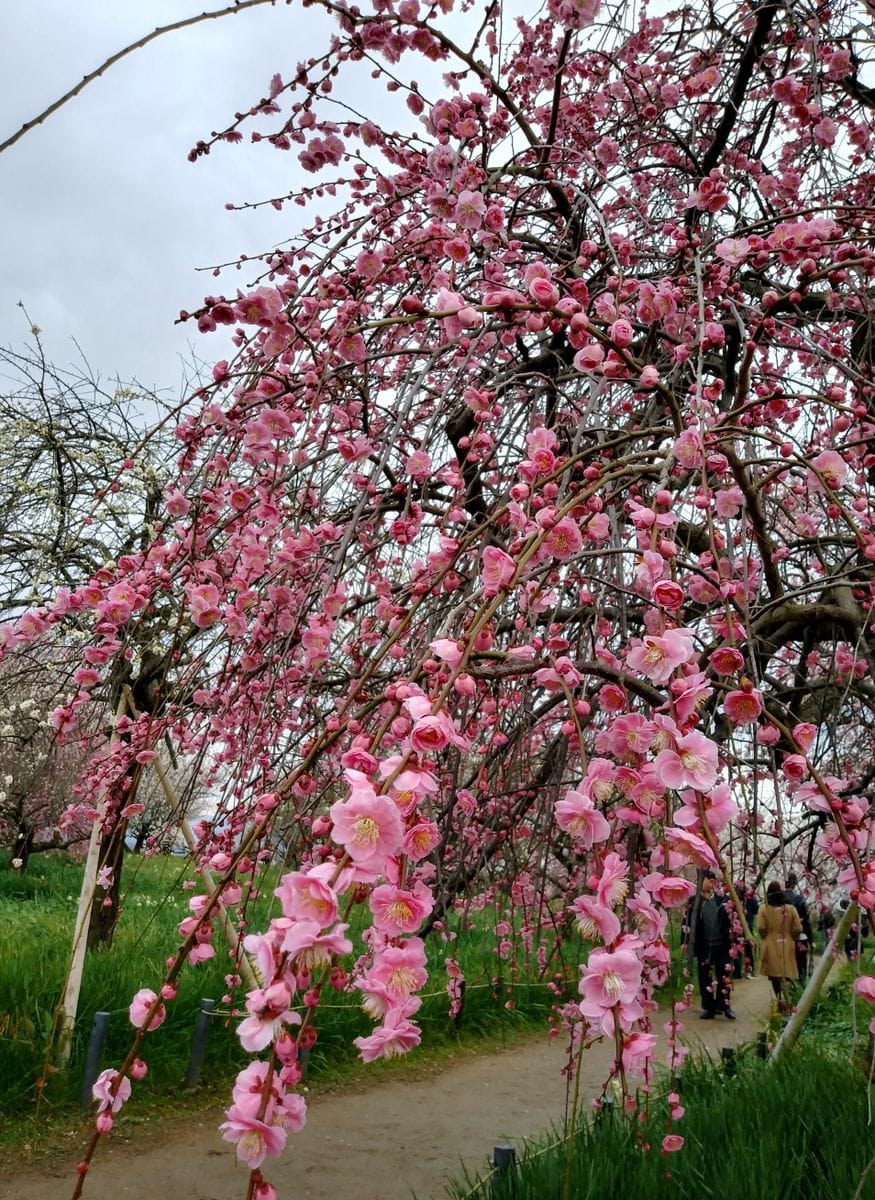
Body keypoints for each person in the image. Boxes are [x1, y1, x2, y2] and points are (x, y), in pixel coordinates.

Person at [691, 872, 736, 1020]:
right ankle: (709, 1007)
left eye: (704, 880)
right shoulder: (695, 900)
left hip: (722, 945)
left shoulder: (723, 900)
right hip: (704, 945)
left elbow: (732, 921)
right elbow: (687, 924)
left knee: (724, 974)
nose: (702, 883)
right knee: (705, 977)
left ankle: (724, 1005)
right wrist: (684, 943)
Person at [757, 880, 802, 1013]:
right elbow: (798, 928)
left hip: (771, 945)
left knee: (774, 975)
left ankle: (779, 999)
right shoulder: (790, 909)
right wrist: (791, 937)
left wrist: (765, 936)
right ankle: (787, 1001)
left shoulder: (764, 908)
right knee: (786, 974)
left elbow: (760, 927)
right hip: (787, 944)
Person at [784, 872, 814, 979]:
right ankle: (800, 984)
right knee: (800, 963)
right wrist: (811, 940)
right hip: (800, 936)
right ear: (795, 883)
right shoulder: (800, 899)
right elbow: (806, 921)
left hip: (783, 936)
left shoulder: (777, 899)